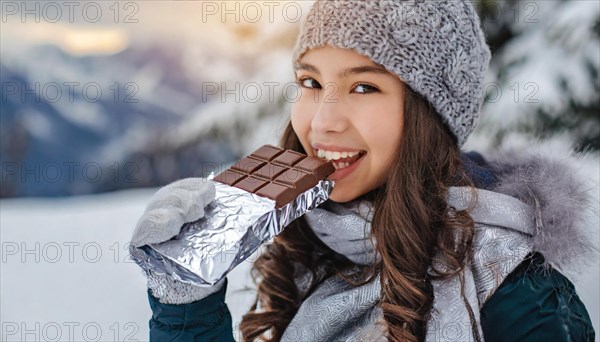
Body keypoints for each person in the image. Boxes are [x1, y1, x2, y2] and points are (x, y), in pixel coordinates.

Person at [130, 1, 596, 341]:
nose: (323, 120)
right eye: (311, 82)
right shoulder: (313, 245)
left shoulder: (519, 293)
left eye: (364, 86)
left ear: (429, 116)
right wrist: (186, 301)